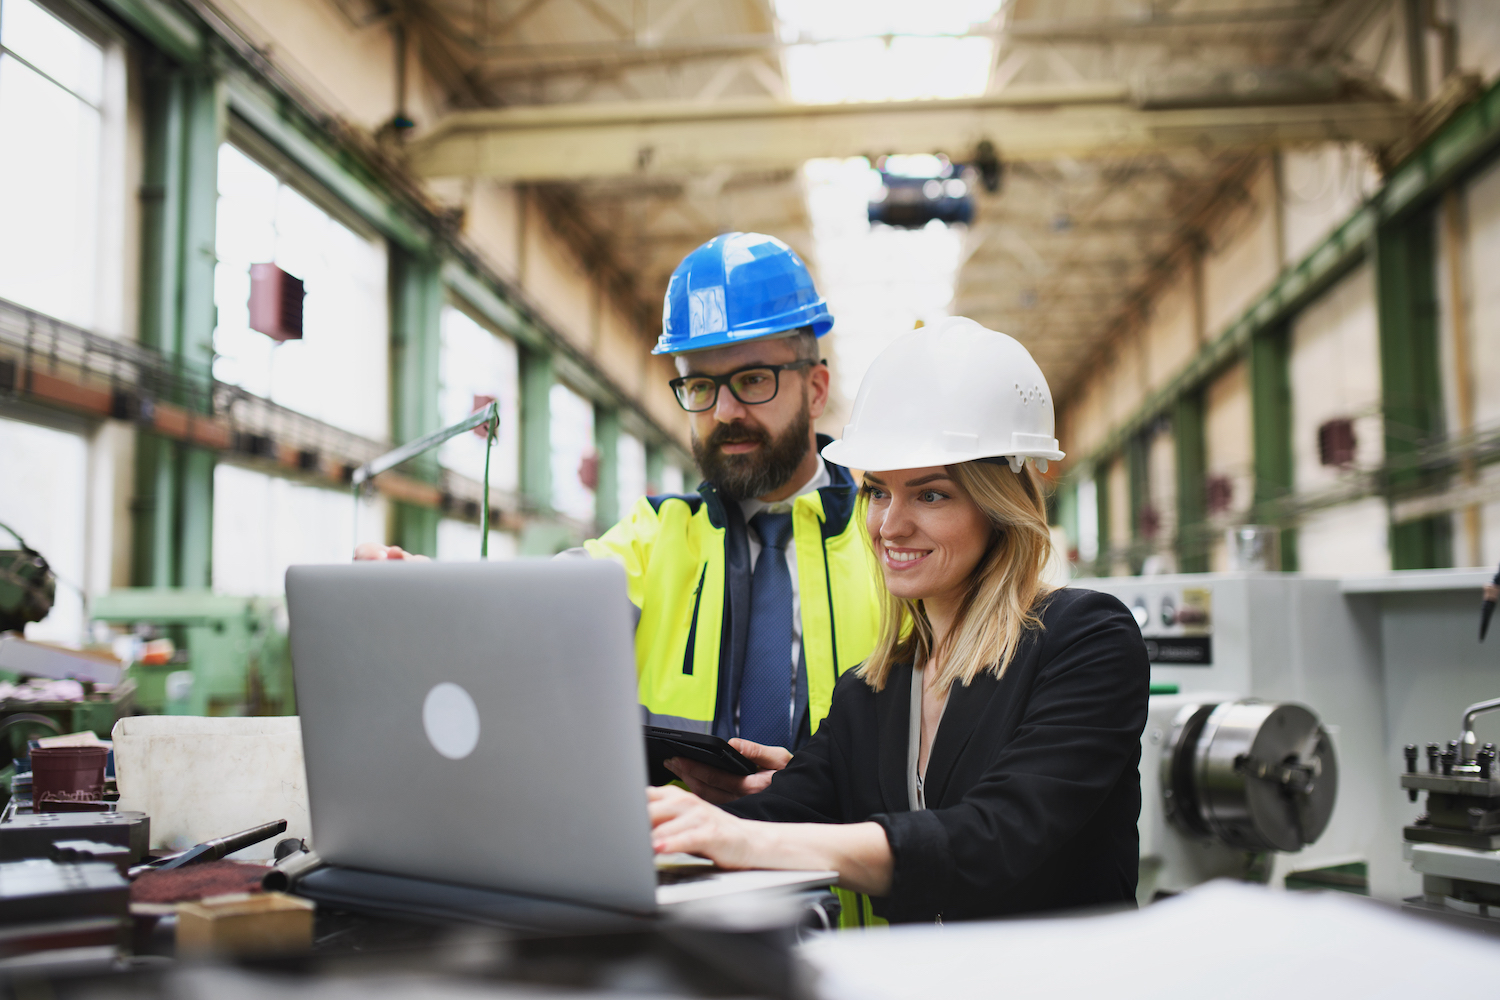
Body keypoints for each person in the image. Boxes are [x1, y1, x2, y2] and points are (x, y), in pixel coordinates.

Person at [646, 317, 1150, 925]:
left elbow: (997, 837)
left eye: (931, 494)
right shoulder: (873, 690)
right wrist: (643, 833)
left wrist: (752, 842)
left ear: (1000, 506)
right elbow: (774, 818)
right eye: (879, 492)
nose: (890, 526)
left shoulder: (1084, 639)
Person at [358, 233, 883, 791]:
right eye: (700, 385)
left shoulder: (889, 538)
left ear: (816, 387)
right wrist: (428, 598)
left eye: (753, 379)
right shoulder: (656, 535)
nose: (725, 411)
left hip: (843, 868)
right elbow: (539, 608)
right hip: (681, 866)